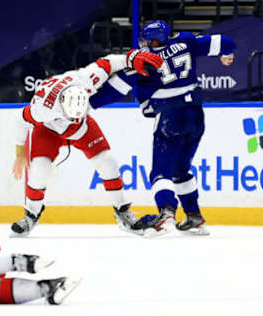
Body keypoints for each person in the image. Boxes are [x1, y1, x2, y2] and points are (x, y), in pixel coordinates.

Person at [91, 20, 236, 236]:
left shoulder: (145, 60)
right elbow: (226, 42)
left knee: (160, 173)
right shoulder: (186, 41)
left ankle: (166, 214)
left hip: (170, 115)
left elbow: (113, 90)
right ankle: (194, 217)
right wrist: (228, 54)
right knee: (181, 170)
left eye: (148, 40)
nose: (146, 44)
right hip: (196, 114)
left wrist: (86, 104)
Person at [10, 49, 163, 237]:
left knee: (108, 162)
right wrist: (20, 153)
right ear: (62, 105)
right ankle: (31, 214)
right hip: (48, 129)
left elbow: (109, 62)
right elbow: (19, 118)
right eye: (69, 114)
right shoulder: (43, 108)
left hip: (81, 127)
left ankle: (122, 212)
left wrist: (132, 58)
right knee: (39, 169)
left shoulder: (85, 80)